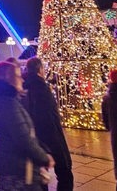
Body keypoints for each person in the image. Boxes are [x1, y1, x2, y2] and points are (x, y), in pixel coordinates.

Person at [0, 61, 53, 191]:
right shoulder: (8, 104)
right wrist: (44, 157)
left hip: (14, 166)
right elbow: (22, 137)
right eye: (18, 75)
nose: (21, 78)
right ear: (10, 79)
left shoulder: (6, 100)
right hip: (18, 170)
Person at [22, 57, 73, 191]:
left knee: (40, 175)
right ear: (40, 69)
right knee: (65, 172)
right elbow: (49, 117)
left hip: (35, 138)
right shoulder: (42, 88)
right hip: (50, 137)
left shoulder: (24, 88)